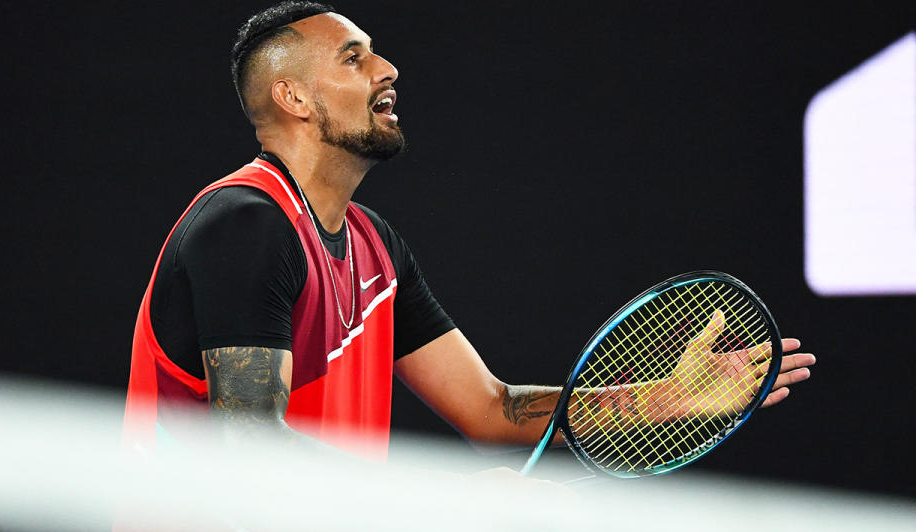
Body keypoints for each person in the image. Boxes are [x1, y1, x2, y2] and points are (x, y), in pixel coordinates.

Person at [122, 1, 815, 462]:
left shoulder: (376, 247)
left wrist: (665, 399)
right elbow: (250, 451)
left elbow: (493, 409)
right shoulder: (243, 228)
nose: (387, 69)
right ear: (293, 97)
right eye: (354, 58)